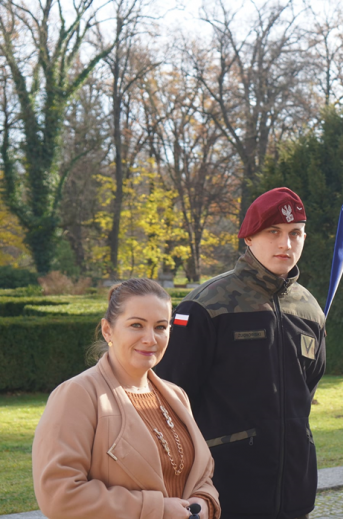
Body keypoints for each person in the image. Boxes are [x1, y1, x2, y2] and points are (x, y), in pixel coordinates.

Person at [155, 187, 325, 519]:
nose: (285, 243)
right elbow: (170, 400)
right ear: (248, 238)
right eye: (273, 232)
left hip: (294, 495)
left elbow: (307, 391)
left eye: (295, 233)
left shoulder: (310, 310)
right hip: (224, 495)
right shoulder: (207, 305)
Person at [32, 278, 220, 519]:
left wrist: (204, 501)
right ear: (107, 329)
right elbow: (59, 495)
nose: (150, 339)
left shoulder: (176, 396)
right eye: (136, 325)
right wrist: (157, 509)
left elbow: (200, 476)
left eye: (161, 327)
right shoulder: (78, 394)